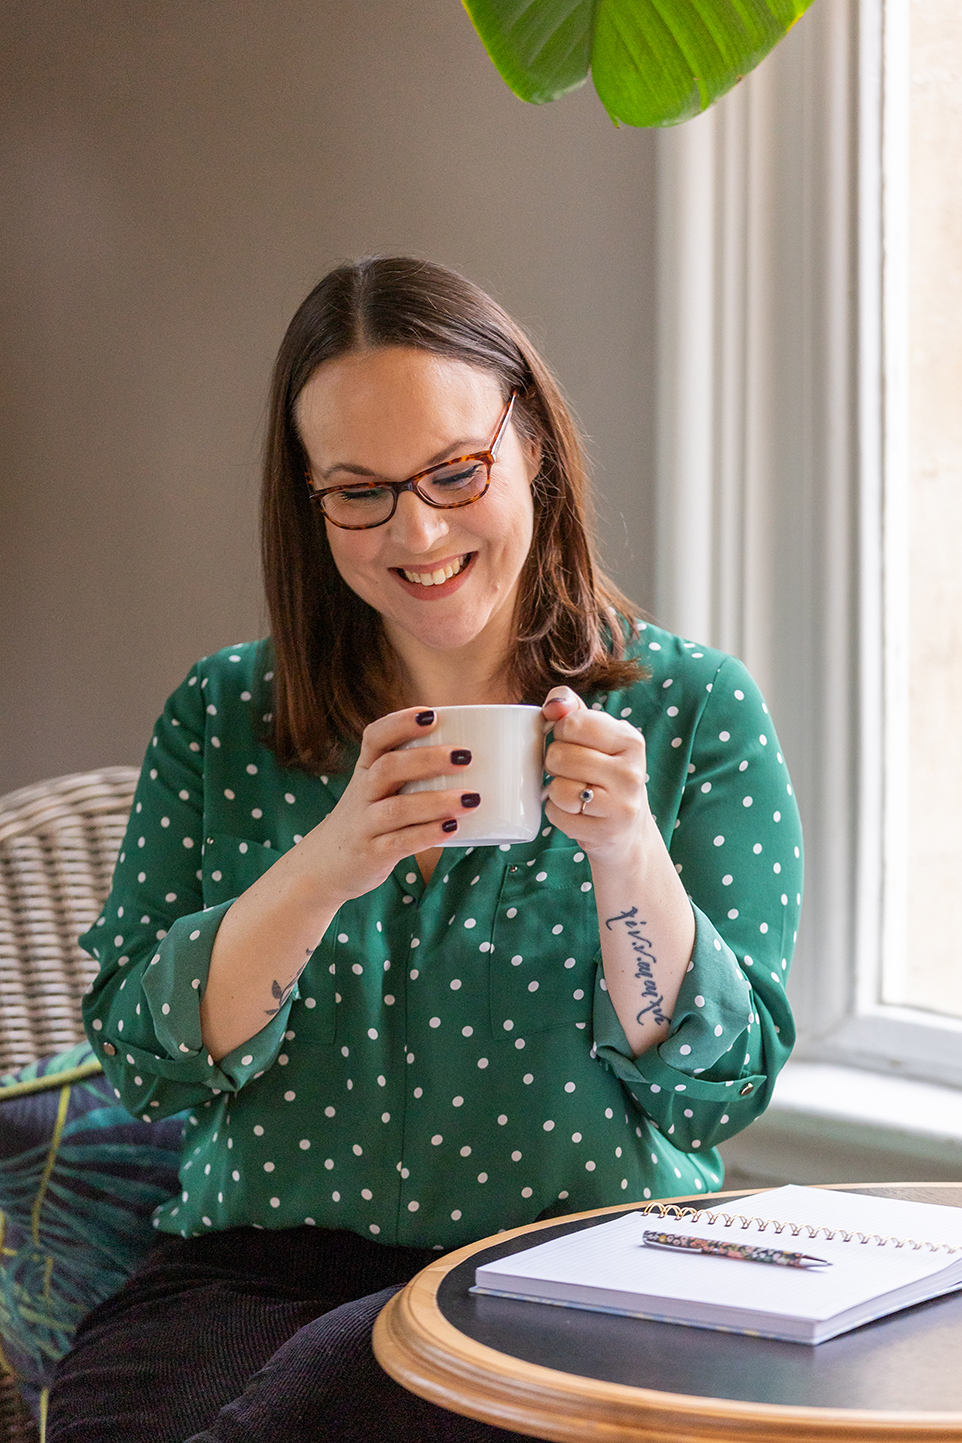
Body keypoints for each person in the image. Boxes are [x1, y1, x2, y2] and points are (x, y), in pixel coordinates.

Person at [47, 257, 802, 1442]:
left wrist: (627, 856)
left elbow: (711, 1089)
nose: (419, 527)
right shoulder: (222, 714)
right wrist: (324, 864)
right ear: (310, 502)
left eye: (456, 470)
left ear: (533, 447)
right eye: (359, 491)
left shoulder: (690, 707)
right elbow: (149, 1061)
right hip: (251, 1273)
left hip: (575, 1278)